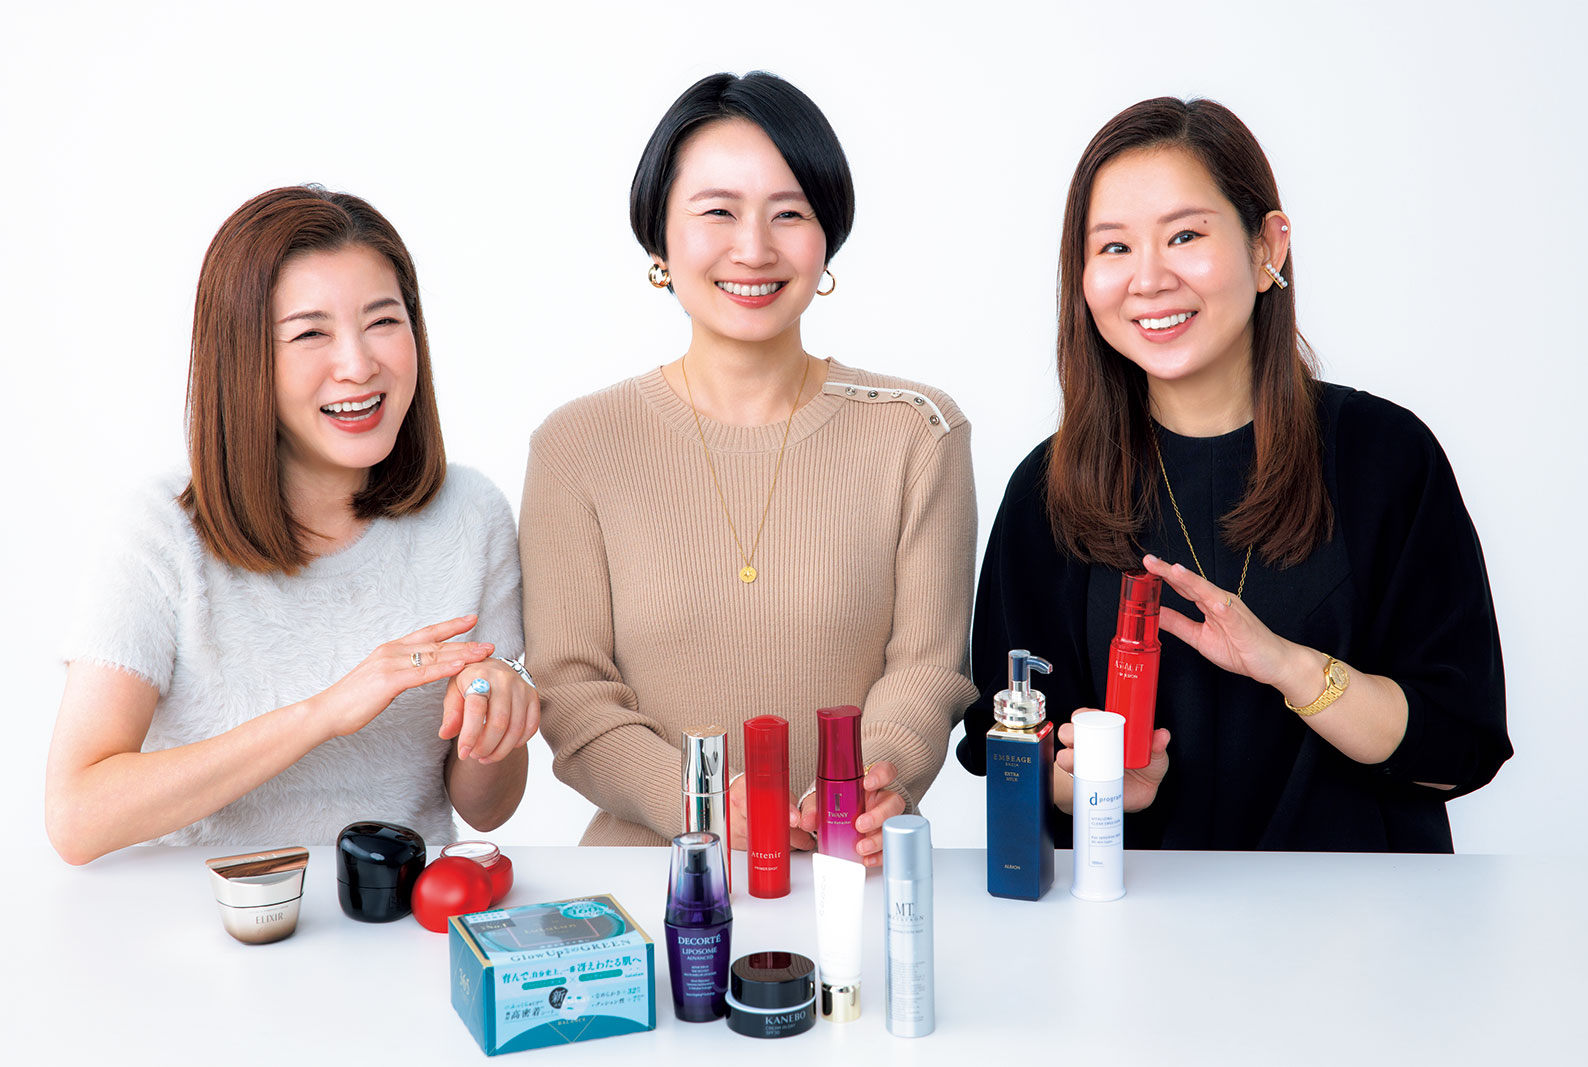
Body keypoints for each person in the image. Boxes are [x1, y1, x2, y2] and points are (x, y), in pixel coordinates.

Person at [956, 98, 1510, 852]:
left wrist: (1287, 666)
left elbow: (1456, 750)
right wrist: (1093, 781)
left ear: (1267, 247)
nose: (1148, 279)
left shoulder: (1384, 456)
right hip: (1130, 915)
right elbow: (1005, 754)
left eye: (1184, 235)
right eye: (1113, 247)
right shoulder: (1050, 489)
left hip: (1360, 917)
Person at [521, 72, 976, 867]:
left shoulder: (918, 430)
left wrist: (873, 779)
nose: (755, 248)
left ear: (827, 236)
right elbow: (573, 694)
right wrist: (698, 800)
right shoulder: (576, 445)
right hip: (654, 882)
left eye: (789, 213)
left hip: (849, 874)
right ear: (660, 238)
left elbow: (928, 666)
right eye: (718, 211)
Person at [45, 187, 539, 864]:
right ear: (243, 359)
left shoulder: (469, 513)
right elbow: (76, 817)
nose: (359, 365)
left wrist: (496, 719)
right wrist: (324, 713)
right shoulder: (160, 530)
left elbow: (487, 808)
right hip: (210, 912)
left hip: (394, 911)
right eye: (311, 333)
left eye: (383, 321)